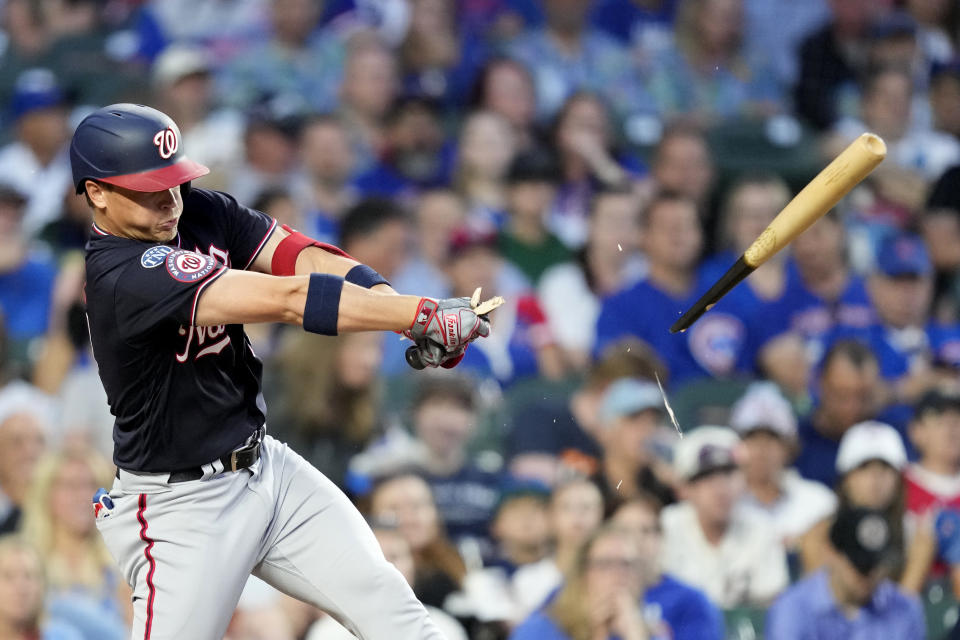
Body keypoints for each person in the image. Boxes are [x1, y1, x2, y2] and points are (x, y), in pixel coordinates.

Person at [74, 103, 494, 638]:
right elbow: (291, 299)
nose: (170, 197)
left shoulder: (197, 211)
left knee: (397, 613)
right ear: (97, 192)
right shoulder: (120, 275)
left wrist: (403, 312)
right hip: (179, 508)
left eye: (174, 179)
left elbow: (304, 258)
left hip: (267, 469)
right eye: (147, 186)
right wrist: (418, 314)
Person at [660, 426, 789, 608]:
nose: (721, 489)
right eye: (707, 477)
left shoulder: (761, 528)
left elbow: (772, 606)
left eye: (728, 473)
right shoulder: (664, 528)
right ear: (683, 489)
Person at [766, 507, 925, 640]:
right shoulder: (793, 608)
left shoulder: (904, 608)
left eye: (874, 565)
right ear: (831, 554)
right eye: (859, 566)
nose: (868, 574)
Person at [20, 449, 129, 639]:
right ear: (46, 495)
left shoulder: (122, 563)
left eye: (91, 485)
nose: (83, 496)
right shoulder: (23, 564)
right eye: (70, 486)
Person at [508, 525, 665, 640]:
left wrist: (635, 636)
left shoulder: (650, 632)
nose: (618, 573)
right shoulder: (540, 629)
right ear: (583, 573)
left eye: (627, 564)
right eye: (605, 564)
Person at [731, 382, 837, 548]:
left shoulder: (819, 501)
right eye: (752, 438)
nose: (761, 450)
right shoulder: (723, 501)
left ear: (789, 448)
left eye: (772, 439)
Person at [610, 495, 724, 640]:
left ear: (661, 537)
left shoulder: (691, 601)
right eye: (624, 531)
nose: (635, 539)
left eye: (645, 531)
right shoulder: (597, 597)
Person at [510, 477, 605, 621]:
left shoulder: (613, 577)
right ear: (551, 516)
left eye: (586, 507)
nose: (578, 515)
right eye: (567, 507)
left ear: (602, 515)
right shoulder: (528, 580)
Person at [591, 377, 677, 513]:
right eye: (635, 420)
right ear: (608, 428)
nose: (647, 430)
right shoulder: (589, 490)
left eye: (653, 422)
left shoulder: (665, 489)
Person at [0, 535, 83, 640]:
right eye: (9, 576)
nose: (21, 587)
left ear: (43, 585)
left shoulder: (64, 636)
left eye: (29, 576)